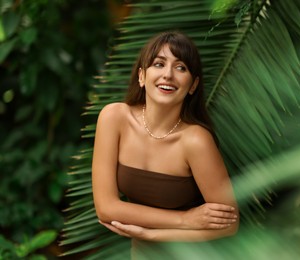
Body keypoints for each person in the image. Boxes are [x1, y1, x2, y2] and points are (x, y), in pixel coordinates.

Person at [92, 31, 239, 258]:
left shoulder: (195, 140)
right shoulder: (114, 118)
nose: (168, 75)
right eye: (159, 64)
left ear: (193, 85)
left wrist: (152, 234)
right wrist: (185, 219)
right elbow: (106, 208)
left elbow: (230, 224)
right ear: (141, 76)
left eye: (181, 68)